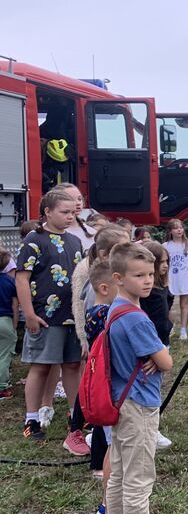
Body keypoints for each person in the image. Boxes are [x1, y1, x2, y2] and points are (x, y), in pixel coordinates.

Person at [103, 242, 180, 514]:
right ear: (119, 278)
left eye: (150, 274)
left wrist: (153, 356)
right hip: (138, 404)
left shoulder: (114, 309)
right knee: (139, 476)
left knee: (120, 471)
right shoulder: (137, 319)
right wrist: (158, 355)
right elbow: (166, 362)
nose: (148, 280)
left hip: (120, 401)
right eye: (139, 275)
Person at [15, 188, 84, 441]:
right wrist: (30, 314)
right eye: (64, 212)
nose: (70, 216)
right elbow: (22, 279)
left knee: (73, 365)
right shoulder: (35, 239)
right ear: (47, 211)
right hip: (45, 316)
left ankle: (75, 414)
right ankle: (31, 419)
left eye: (72, 212)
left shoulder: (75, 241)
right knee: (42, 367)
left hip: (72, 316)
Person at [69, 225, 131, 458]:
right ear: (105, 253)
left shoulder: (117, 271)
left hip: (108, 346)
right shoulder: (89, 273)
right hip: (97, 345)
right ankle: (82, 433)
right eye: (121, 247)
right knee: (95, 390)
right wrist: (84, 338)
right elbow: (79, 305)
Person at [83, 260, 117, 514]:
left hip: (106, 388)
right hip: (109, 389)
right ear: (105, 288)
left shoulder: (97, 312)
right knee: (114, 451)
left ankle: (107, 506)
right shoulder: (105, 314)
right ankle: (108, 509)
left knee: (112, 447)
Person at [139, 241, 173, 450]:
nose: (165, 265)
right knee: (148, 389)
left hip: (162, 342)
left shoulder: (161, 286)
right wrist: (153, 353)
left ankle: (150, 427)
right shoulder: (147, 292)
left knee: (155, 386)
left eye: (167, 261)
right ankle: (150, 430)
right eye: (161, 262)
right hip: (153, 346)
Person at [163, 219, 188, 340]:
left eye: (181, 227)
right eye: (176, 228)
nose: (179, 230)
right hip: (170, 279)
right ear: (170, 231)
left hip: (185, 278)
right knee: (167, 305)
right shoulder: (166, 246)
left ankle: (183, 329)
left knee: (184, 304)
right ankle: (170, 326)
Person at [52, 182, 97, 251]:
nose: (78, 203)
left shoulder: (92, 232)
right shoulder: (43, 232)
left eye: (79, 199)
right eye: (71, 199)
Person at [0, 249, 17, 399]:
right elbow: (14, 306)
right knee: (4, 355)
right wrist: (15, 325)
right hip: (4, 320)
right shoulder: (9, 281)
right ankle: (2, 387)